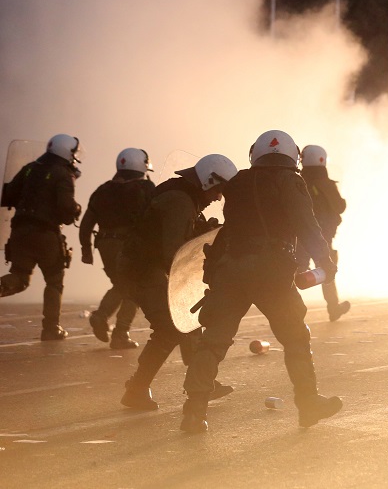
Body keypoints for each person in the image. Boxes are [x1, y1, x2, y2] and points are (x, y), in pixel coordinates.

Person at [181, 130, 340, 433]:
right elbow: (306, 223)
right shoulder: (291, 181)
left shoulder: (238, 181)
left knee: (213, 341)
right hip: (272, 272)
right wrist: (324, 261)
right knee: (295, 338)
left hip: (231, 269)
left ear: (256, 153)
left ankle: (193, 412)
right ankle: (308, 405)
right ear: (292, 156)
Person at [118, 153, 237, 410]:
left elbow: (176, 237)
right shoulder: (180, 201)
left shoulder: (183, 196)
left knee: (187, 319)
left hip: (142, 267)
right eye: (218, 190)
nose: (218, 197)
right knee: (171, 326)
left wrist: (201, 233)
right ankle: (138, 389)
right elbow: (173, 250)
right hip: (141, 270)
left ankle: (201, 382)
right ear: (208, 180)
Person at [0, 134, 82, 340]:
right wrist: (76, 210)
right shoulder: (63, 174)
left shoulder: (29, 168)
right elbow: (65, 209)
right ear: (66, 152)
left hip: (19, 231)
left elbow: (8, 195)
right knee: (54, 280)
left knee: (19, 278)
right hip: (46, 233)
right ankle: (51, 328)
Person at [80, 148, 156, 349]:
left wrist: (86, 250)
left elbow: (87, 223)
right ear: (142, 165)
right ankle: (120, 334)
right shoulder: (146, 188)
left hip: (104, 245)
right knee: (135, 289)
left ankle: (100, 316)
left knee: (121, 285)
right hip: (128, 245)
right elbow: (155, 218)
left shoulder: (103, 189)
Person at [298, 144, 349, 321]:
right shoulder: (325, 184)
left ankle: (282, 309)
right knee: (327, 271)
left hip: (300, 236)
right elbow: (340, 206)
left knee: (294, 272)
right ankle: (333, 308)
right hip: (322, 238)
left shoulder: (297, 181)